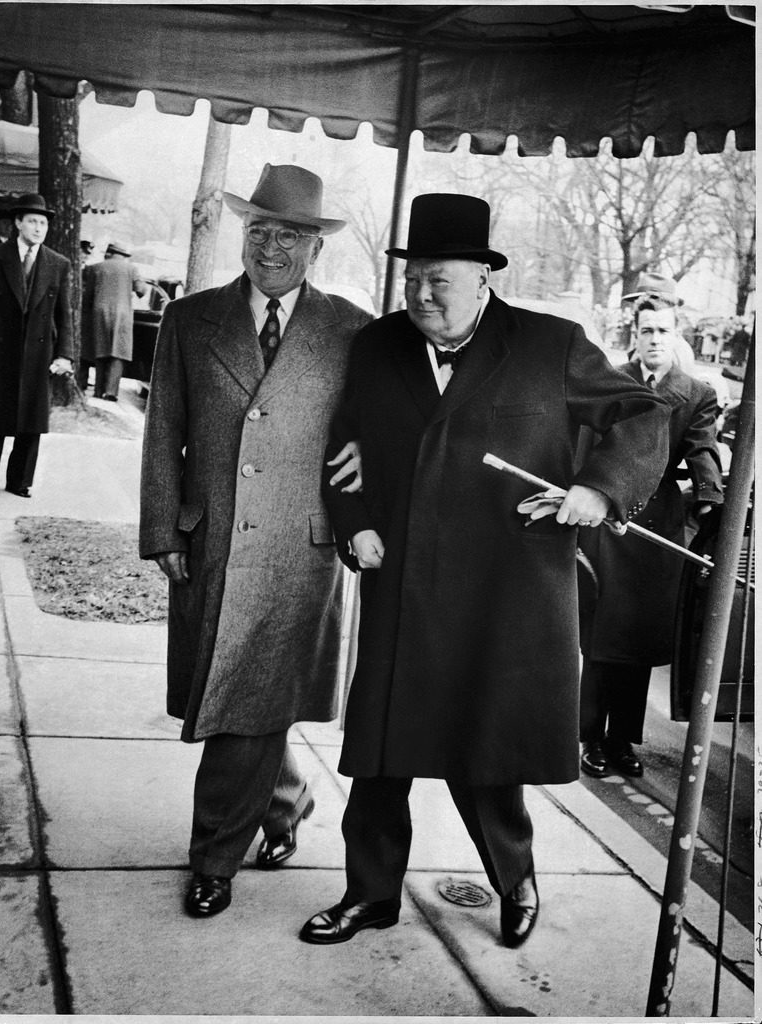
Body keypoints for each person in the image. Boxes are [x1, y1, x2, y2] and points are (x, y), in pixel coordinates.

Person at [299, 193, 670, 949]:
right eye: (413, 281)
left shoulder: (550, 344)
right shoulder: (378, 347)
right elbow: (348, 441)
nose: (422, 296)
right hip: (402, 581)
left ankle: (515, 880)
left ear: (481, 280)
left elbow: (644, 414)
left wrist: (596, 489)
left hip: (507, 590)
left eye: (440, 281)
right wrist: (357, 522)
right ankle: (369, 895)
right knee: (379, 755)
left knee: (487, 749)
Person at [139, 163, 373, 919]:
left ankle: (214, 858)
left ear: (317, 249)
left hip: (301, 551)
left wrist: (370, 462)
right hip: (209, 541)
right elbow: (163, 431)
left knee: (246, 699)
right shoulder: (189, 318)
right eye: (260, 229)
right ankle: (286, 800)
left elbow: (383, 430)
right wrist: (160, 528)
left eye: (291, 235)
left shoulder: (352, 331)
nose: (271, 246)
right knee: (241, 692)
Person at [578, 296, 724, 780]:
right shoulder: (611, 381)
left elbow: (702, 450)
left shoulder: (697, 393)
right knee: (602, 637)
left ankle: (622, 740)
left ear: (675, 335)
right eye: (647, 331)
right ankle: (590, 740)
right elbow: (587, 443)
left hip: (655, 524)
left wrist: (711, 500)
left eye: (663, 331)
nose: (655, 339)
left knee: (637, 641)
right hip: (607, 518)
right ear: (635, 336)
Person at [0, 193, 73, 499]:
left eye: (43, 223)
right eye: (33, 221)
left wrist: (65, 354)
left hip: (38, 354)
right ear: (18, 223)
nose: (38, 228)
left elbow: (65, 314)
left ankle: (20, 482)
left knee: (31, 421)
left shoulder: (58, 264)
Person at [79, 241, 148, 400]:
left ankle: (98, 390)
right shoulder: (131, 269)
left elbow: (87, 296)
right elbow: (142, 290)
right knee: (118, 353)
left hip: (98, 313)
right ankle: (110, 392)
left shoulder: (94, 268)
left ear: (108, 253)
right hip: (123, 316)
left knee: (100, 350)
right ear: (123, 256)